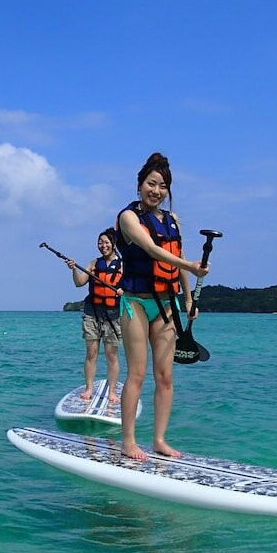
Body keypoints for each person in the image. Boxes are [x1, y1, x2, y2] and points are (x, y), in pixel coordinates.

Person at [116, 152, 209, 461]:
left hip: (166, 304)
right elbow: (153, 250)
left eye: (163, 186)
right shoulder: (128, 218)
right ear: (140, 184)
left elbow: (175, 255)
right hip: (136, 304)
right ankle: (128, 441)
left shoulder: (173, 220)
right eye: (151, 184)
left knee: (165, 376)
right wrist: (191, 265)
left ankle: (159, 440)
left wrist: (187, 298)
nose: (156, 191)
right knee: (138, 374)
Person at [64, 229, 124, 402]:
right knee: (91, 353)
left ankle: (112, 392)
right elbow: (79, 283)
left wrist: (123, 291)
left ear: (113, 244)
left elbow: (131, 287)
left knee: (112, 355)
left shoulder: (123, 266)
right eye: (100, 242)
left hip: (113, 316)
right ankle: (89, 389)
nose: (102, 246)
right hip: (92, 313)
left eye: (106, 242)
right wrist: (74, 269)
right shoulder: (93, 264)